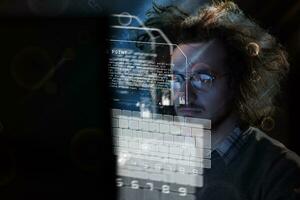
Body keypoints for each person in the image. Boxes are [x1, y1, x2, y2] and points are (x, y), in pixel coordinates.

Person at [140, 1, 300, 199]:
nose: (184, 94)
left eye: (202, 79)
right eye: (177, 79)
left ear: (237, 80)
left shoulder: (279, 171)